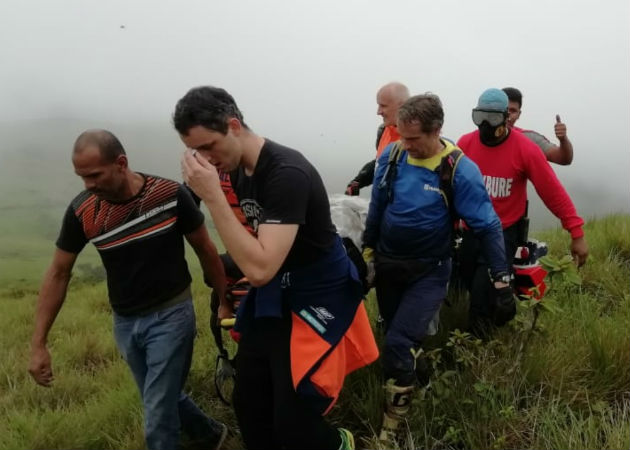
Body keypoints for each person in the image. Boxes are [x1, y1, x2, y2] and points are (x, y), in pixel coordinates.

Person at [173, 86, 378, 450]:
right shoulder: (234, 167)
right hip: (275, 291)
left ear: (234, 126)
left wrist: (213, 197)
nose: (206, 159)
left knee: (294, 418)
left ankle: (341, 443)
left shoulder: (286, 172)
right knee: (249, 404)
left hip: (316, 291)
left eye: (209, 146)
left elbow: (261, 268)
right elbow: (249, 250)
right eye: (196, 151)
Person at [28, 130, 229, 450]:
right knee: (158, 394)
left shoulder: (170, 195)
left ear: (121, 163)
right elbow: (58, 272)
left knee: (157, 415)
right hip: (125, 322)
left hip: (173, 314)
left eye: (94, 175)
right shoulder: (84, 211)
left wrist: (223, 301)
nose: (88, 185)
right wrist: (39, 343)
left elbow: (205, 248)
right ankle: (210, 434)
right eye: (82, 177)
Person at [362, 93, 510, 443]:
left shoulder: (459, 169)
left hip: (429, 271)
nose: (406, 144)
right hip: (388, 265)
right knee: (398, 335)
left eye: (414, 138)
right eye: (402, 136)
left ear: (436, 130)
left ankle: (392, 428)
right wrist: (368, 252)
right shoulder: (393, 155)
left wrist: (501, 280)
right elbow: (378, 205)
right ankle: (422, 382)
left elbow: (488, 226)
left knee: (397, 343)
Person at [457, 89, 588, 336]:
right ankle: (497, 312)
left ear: (506, 118)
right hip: (471, 230)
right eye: (480, 117)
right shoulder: (466, 144)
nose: (485, 125)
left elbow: (552, 191)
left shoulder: (525, 149)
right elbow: (452, 184)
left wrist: (576, 232)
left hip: (503, 232)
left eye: (492, 118)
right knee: (468, 281)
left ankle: (475, 352)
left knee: (482, 296)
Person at [345, 82, 410, 195]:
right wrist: (358, 181)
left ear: (402, 105)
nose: (378, 112)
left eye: (383, 106)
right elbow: (380, 163)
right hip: (382, 205)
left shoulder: (422, 137)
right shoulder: (384, 131)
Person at [502, 87, 574, 165]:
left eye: (513, 111)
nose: (508, 115)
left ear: (519, 114)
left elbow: (564, 159)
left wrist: (563, 139)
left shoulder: (529, 138)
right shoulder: (486, 136)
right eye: (504, 109)